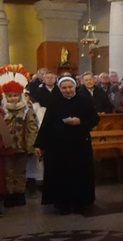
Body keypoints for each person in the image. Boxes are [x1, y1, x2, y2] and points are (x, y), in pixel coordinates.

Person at [35, 76, 100, 214]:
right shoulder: (55, 102)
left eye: (70, 87)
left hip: (79, 144)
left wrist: (80, 121)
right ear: (60, 89)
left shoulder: (84, 100)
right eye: (64, 88)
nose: (68, 90)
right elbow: (46, 124)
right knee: (60, 174)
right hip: (58, 145)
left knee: (80, 173)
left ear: (75, 87)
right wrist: (39, 144)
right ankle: (62, 203)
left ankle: (80, 203)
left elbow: (94, 119)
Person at [0, 66, 39, 208]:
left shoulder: (26, 110)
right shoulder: (3, 111)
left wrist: (31, 145)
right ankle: (10, 194)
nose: (13, 98)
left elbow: (32, 128)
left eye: (16, 95)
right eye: (10, 96)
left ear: (20, 95)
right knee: (9, 172)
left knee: (21, 171)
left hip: (22, 146)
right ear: (5, 96)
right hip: (7, 147)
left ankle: (20, 193)